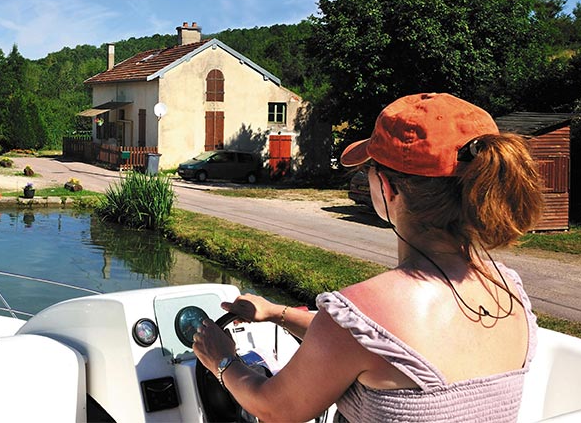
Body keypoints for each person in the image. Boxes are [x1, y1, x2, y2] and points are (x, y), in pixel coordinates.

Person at [193, 92, 544, 422]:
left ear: (387, 188)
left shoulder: (358, 313)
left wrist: (221, 359)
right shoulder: (510, 292)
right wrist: (277, 313)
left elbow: (273, 408)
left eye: (368, 171)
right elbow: (379, 345)